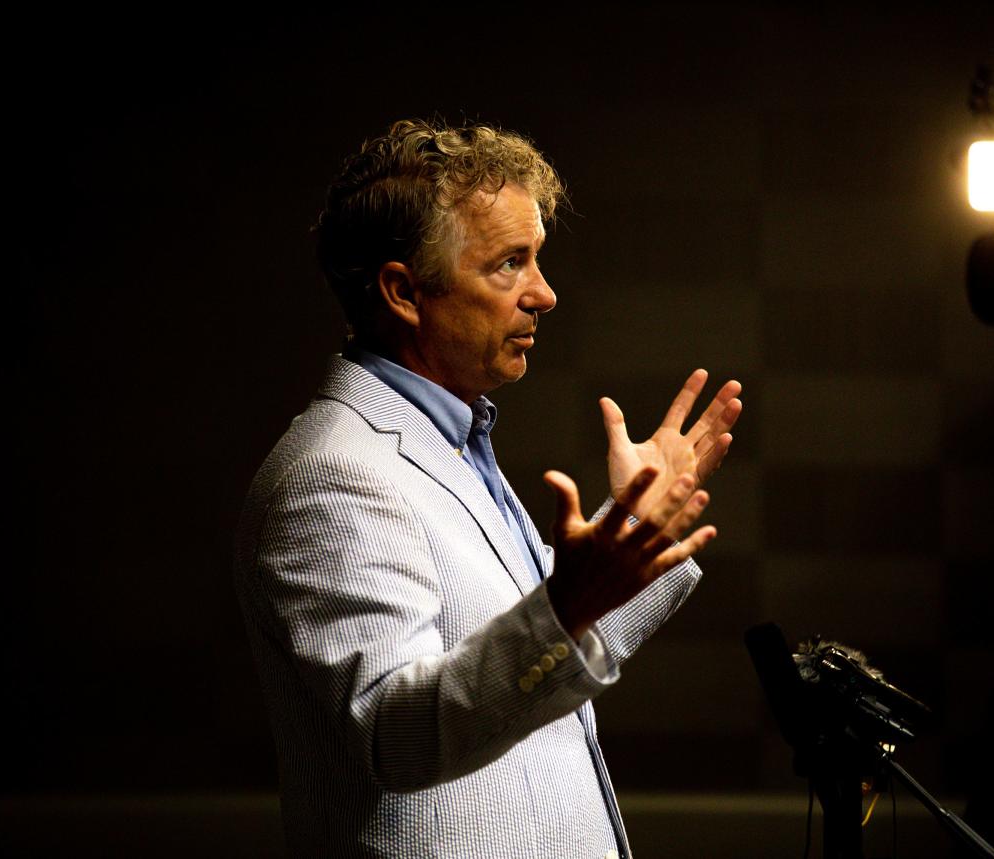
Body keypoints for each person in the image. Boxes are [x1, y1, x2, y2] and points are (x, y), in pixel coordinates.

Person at [234, 119, 742, 858]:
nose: (546, 293)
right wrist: (567, 605)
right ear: (404, 291)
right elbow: (395, 735)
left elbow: (542, 656)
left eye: (537, 259)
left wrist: (639, 531)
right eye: (510, 263)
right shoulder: (332, 475)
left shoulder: (451, 444)